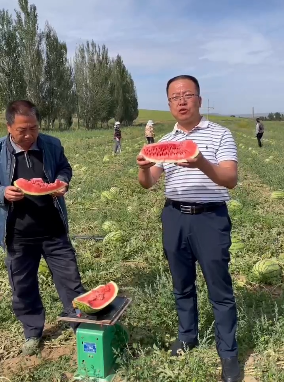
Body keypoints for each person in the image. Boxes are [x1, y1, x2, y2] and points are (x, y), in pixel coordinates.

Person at [137, 75, 240, 382]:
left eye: (187, 95)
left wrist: (200, 163)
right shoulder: (166, 142)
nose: (181, 101)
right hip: (174, 217)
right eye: (174, 97)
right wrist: (143, 169)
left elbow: (229, 178)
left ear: (199, 98)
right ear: (169, 104)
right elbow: (149, 183)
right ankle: (187, 336)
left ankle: (229, 354)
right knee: (181, 284)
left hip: (210, 218)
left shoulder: (221, 134)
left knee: (219, 290)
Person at [0, 100, 86, 356]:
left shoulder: (52, 145)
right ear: (8, 127)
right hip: (17, 235)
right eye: (22, 130)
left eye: (34, 129)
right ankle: (32, 332)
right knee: (23, 287)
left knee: (71, 281)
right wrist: (3, 192)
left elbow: (64, 168)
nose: (29, 135)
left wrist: (61, 181)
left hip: (53, 231)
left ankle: (80, 325)